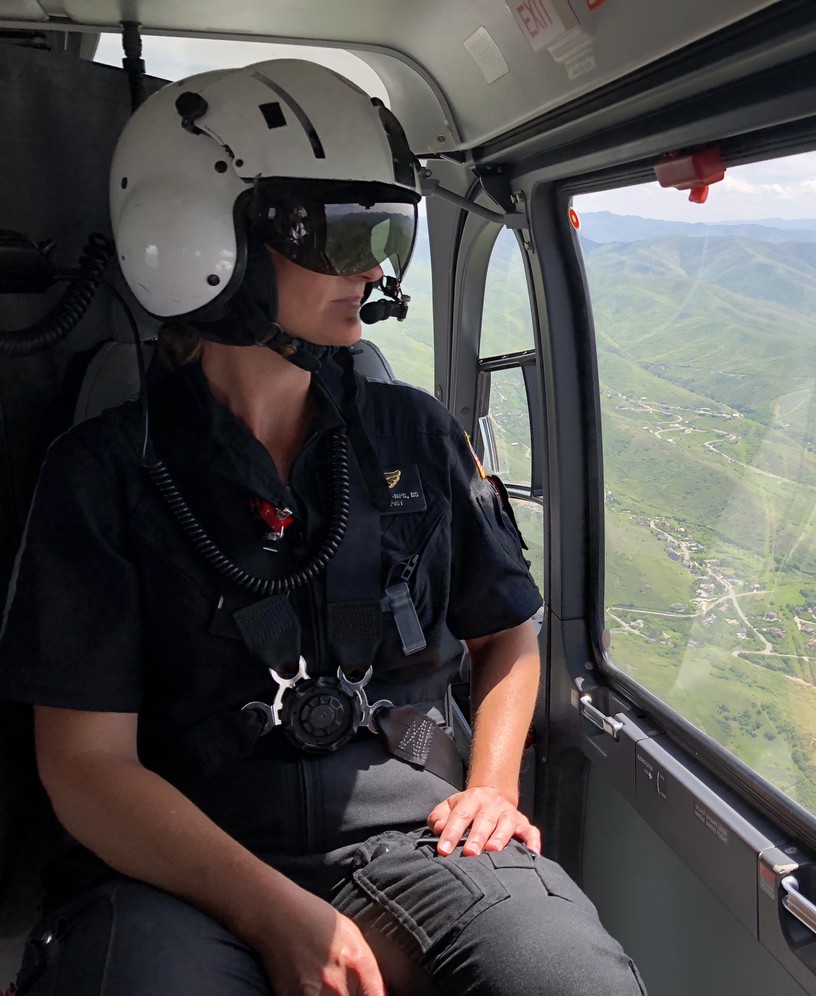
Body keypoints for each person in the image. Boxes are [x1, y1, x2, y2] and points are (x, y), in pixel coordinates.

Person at [0, 60, 645, 996]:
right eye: (339, 237)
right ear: (202, 241)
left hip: (415, 842)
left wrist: (493, 785)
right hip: (174, 868)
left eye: (384, 235)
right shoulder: (102, 474)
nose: (375, 269)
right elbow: (84, 767)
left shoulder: (415, 433)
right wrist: (275, 913)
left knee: (571, 981)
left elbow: (509, 638)